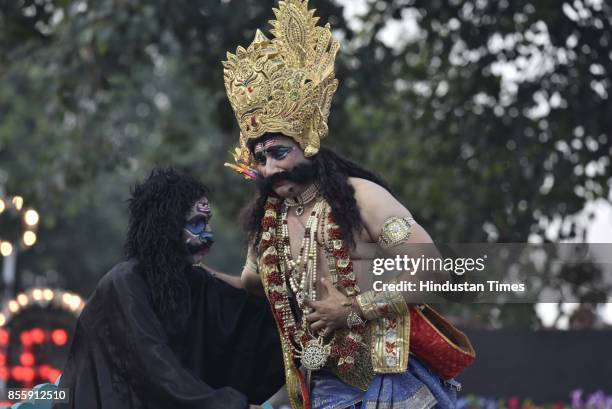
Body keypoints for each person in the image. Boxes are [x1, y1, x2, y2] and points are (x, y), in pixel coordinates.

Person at [221, 1, 475, 408]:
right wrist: (186, 270)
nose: (270, 169)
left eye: (280, 153)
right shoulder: (267, 221)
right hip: (320, 387)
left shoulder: (360, 197)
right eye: (261, 158)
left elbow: (428, 268)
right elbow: (253, 283)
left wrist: (354, 310)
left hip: (388, 382)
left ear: (309, 143)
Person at [55, 168, 284, 409]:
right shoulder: (124, 283)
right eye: (197, 223)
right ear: (166, 227)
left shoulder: (194, 281)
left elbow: (252, 325)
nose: (208, 234)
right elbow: (153, 368)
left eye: (207, 222)